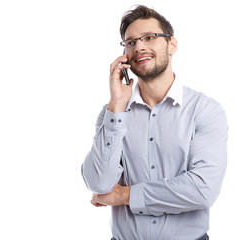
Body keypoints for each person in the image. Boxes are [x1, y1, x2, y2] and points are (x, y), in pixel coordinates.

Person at [81, 5, 227, 240]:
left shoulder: (205, 110)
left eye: (149, 37)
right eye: (130, 42)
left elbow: (203, 190)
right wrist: (117, 104)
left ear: (172, 45)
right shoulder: (113, 113)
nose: (139, 46)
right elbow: (98, 183)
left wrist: (123, 195)